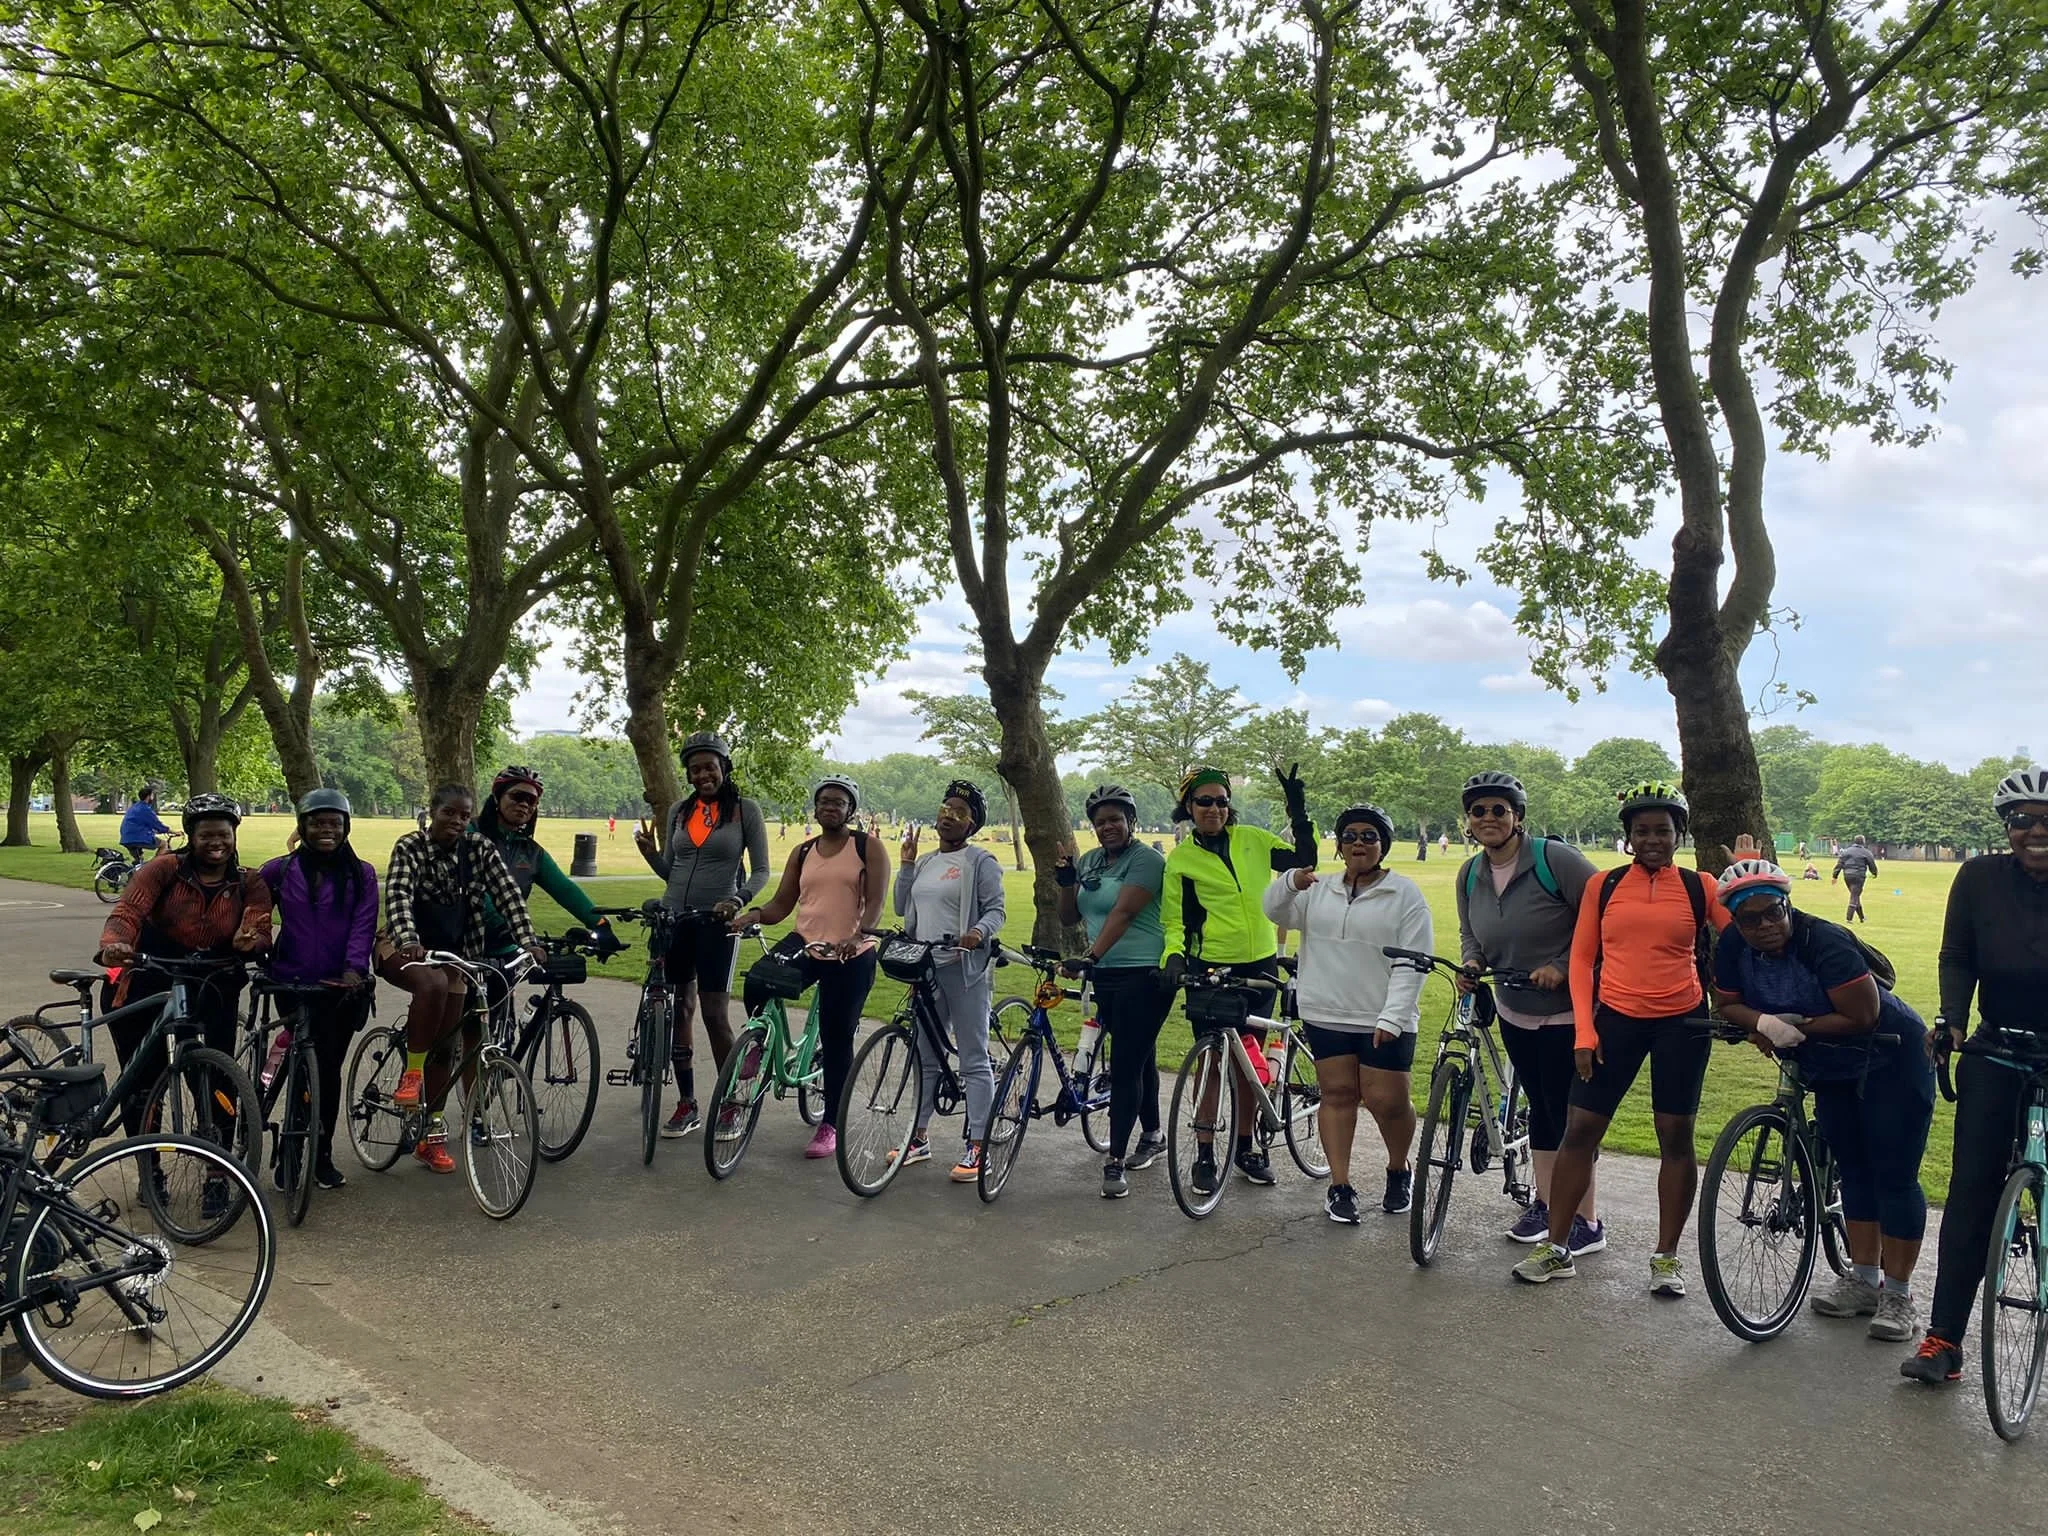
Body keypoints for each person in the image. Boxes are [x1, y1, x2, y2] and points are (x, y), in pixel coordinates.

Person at [1513, 781, 1729, 1294]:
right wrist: (1584, 1032)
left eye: (1663, 830)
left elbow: (1747, 930)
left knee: (1675, 1138)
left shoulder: (1699, 886)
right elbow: (1582, 959)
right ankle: (1557, 1246)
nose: (1652, 840)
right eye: (1642, 831)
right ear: (1628, 836)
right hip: (1616, 1019)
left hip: (1682, 1022)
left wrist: (1745, 875)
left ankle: (1666, 1258)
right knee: (1580, 1131)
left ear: (1679, 834)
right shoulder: (1604, 885)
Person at [1712, 858, 1932, 1342]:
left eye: (1774, 912)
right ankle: (1864, 1280)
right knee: (1854, 1169)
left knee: (1893, 1175)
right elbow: (1726, 1003)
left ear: (1788, 906)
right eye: (1750, 919)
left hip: (1891, 1057)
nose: (1765, 926)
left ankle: (1899, 1294)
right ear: (1735, 921)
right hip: (1829, 1063)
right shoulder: (1732, 946)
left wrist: (1796, 1028)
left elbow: (1864, 1014)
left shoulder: (1824, 942)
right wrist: (1764, 1023)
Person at [1901, 767, 2048, 1385]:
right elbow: (1958, 954)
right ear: (2006, 827)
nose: (2035, 831)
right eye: (2022, 820)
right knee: (1970, 1193)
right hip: (1998, 1048)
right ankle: (1944, 1340)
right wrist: (1952, 1020)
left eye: (2047, 820)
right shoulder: (1979, 878)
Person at [97, 792, 272, 1216]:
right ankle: (150, 1168)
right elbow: (127, 911)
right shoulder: (163, 870)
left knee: (217, 1080)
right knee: (144, 1080)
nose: (216, 842)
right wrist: (115, 944)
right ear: (191, 837)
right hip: (150, 977)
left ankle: (217, 1174)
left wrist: (250, 939)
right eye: (206, 834)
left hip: (212, 983)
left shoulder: (248, 881)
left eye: (223, 834)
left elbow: (259, 922)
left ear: (234, 836)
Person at [1452, 771, 1605, 1254]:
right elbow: (1470, 933)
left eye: (1499, 809)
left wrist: (1562, 964)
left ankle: (1586, 1220)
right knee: (1541, 1107)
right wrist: (1472, 963)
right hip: (1515, 1008)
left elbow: (1603, 915)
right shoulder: (1469, 873)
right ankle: (1545, 1202)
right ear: (1469, 820)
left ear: (1517, 815)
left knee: (1570, 1114)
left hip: (1568, 1013)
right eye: (1479, 811)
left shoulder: (1554, 860)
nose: (1488, 818)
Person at [1264, 803, 1432, 1222]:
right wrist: (1290, 881)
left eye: (1369, 836)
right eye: (1350, 836)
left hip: (1382, 1015)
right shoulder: (1317, 888)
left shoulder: (1404, 894)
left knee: (1387, 1101)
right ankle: (1339, 1185)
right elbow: (1274, 910)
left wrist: (1393, 1016)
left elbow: (1413, 961)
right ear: (1339, 845)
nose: (1359, 843)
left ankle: (1399, 1169)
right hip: (1326, 1011)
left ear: (1383, 845)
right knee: (1337, 1095)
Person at [1161, 764, 1318, 1190]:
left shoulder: (1253, 840)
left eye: (1221, 801)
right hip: (1211, 966)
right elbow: (1174, 920)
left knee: (1249, 1061)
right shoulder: (1181, 860)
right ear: (1188, 806)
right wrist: (1173, 956)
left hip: (1260, 965)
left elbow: (1304, 861)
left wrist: (1298, 812)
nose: (1214, 809)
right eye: (1204, 801)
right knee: (1212, 1062)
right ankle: (1206, 1153)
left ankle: (1247, 1146)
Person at [378, 783, 544, 1174]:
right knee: (432, 984)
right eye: (448, 812)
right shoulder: (410, 847)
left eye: (464, 815)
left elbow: (508, 896)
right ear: (433, 811)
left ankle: (431, 1136)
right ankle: (411, 1074)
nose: (456, 821)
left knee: (447, 1046)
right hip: (403, 946)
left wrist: (529, 942)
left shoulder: (479, 849)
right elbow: (398, 897)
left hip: (455, 955)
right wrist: (410, 940)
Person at [730, 775, 890, 1161]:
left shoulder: (867, 847)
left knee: (836, 1040)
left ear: (851, 810)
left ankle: (830, 1123)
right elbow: (782, 904)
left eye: (839, 802)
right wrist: (753, 915)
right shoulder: (803, 852)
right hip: (806, 941)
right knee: (757, 980)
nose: (830, 807)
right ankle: (760, 1046)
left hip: (851, 952)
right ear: (815, 808)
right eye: (824, 801)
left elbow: (875, 902)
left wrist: (858, 934)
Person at [635, 732, 771, 1138]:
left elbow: (762, 870)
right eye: (694, 769)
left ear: (724, 767)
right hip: (675, 919)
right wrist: (651, 855)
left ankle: (730, 1103)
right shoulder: (680, 811)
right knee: (680, 1009)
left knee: (714, 1014)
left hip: (717, 923)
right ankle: (687, 1103)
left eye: (709, 766)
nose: (702, 775)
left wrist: (737, 899)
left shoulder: (745, 811)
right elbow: (672, 871)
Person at [258, 789, 379, 1191]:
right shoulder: (279, 871)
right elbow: (253, 908)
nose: (327, 830)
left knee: (327, 1070)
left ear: (346, 827)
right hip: (290, 981)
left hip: (339, 988)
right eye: (317, 823)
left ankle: (321, 1153)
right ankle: (290, 1151)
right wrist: (256, 944)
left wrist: (353, 970)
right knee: (300, 1064)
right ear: (302, 827)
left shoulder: (361, 874)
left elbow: (363, 925)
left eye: (334, 823)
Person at [1055, 785, 1170, 1199]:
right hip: (1105, 973)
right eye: (1100, 821)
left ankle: (1115, 1161)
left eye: (1116, 819)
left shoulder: (1147, 860)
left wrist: (1090, 956)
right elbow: (1069, 916)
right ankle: (1153, 1134)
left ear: (1130, 821)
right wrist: (1066, 882)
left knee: (1125, 1065)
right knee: (1138, 1056)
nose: (1108, 827)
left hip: (1144, 973)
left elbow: (1123, 912)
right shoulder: (1090, 860)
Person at [893, 780, 1007, 1181]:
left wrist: (976, 932)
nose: (948, 816)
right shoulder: (926, 862)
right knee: (925, 1056)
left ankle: (978, 1145)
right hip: (926, 968)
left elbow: (996, 911)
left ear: (971, 823)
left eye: (959, 811)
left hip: (963, 968)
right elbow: (901, 907)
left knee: (973, 1058)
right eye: (945, 808)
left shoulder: (980, 861)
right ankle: (918, 1137)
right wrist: (906, 865)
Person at [474, 766, 618, 963]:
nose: (524, 804)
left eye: (531, 800)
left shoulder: (531, 852)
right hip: (460, 944)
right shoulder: (470, 835)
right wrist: (504, 926)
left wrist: (600, 925)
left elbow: (564, 889)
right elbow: (475, 890)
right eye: (517, 796)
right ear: (497, 798)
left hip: (506, 947)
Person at [118, 784, 173, 863]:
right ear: (148, 797)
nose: (153, 797)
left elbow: (138, 823)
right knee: (164, 844)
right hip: (137, 838)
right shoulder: (145, 809)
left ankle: (137, 867)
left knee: (139, 861)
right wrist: (173, 832)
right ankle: (154, 866)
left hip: (126, 838)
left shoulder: (134, 807)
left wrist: (153, 831)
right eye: (152, 795)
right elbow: (158, 825)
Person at [1832, 836, 1880, 924]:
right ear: (1863, 842)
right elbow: (1872, 864)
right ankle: (1849, 918)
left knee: (1855, 895)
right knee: (1854, 896)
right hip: (1859, 876)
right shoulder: (1866, 852)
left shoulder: (1846, 851)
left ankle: (1862, 917)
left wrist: (1835, 876)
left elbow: (1839, 864)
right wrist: (1874, 873)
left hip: (1847, 876)